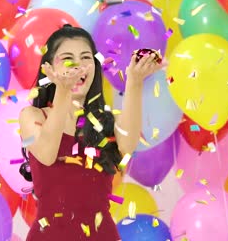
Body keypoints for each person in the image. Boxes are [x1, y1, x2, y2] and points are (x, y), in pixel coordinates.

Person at [18, 24, 163, 240]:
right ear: (49, 68)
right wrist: (63, 91)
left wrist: (134, 81)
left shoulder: (105, 122)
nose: (78, 65)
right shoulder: (32, 116)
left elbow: (128, 146)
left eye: (86, 57)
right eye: (68, 58)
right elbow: (47, 154)